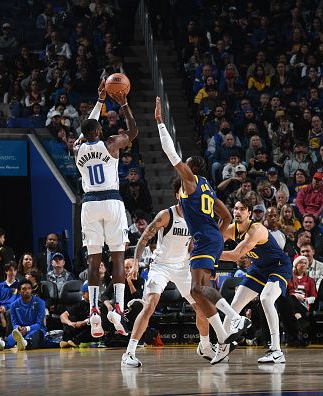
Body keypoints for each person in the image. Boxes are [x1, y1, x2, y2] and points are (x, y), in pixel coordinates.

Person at [155, 97, 250, 365]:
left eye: (186, 165)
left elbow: (170, 154)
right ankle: (222, 338)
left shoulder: (191, 181)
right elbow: (227, 215)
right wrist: (218, 237)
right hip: (210, 238)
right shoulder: (208, 185)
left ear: (191, 168)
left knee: (197, 288)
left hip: (204, 239)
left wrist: (161, 123)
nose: (181, 167)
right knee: (198, 291)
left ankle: (234, 318)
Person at [121, 178, 213, 367]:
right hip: (160, 266)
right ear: (177, 194)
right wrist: (136, 261)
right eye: (183, 191)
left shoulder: (195, 217)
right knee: (150, 305)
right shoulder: (166, 215)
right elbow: (144, 238)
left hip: (182, 267)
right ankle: (129, 353)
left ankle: (204, 345)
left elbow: (193, 246)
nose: (186, 194)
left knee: (202, 307)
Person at [73, 80, 138, 338]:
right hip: (112, 201)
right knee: (118, 257)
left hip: (89, 203)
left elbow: (84, 130)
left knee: (93, 260)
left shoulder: (77, 149)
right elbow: (132, 132)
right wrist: (123, 104)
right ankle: (118, 309)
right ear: (99, 130)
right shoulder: (110, 143)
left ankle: (93, 311)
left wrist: (99, 101)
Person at [219, 201, 292, 364]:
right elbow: (214, 242)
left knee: (266, 298)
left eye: (242, 209)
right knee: (234, 305)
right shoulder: (231, 229)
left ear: (249, 213)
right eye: (236, 208)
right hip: (259, 268)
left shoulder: (256, 229)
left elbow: (235, 255)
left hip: (279, 267)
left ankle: (276, 351)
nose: (238, 212)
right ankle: (222, 347)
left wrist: (207, 255)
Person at [0, 280, 46, 351]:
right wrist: (17, 328)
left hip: (35, 329)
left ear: (31, 290)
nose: (27, 291)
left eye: (29, 288)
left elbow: (39, 324)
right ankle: (1, 344)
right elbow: (14, 323)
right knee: (10, 339)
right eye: (24, 289)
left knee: (33, 336)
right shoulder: (13, 305)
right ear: (19, 291)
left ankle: (24, 343)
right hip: (20, 331)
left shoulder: (40, 303)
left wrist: (27, 328)